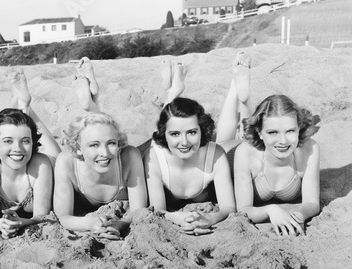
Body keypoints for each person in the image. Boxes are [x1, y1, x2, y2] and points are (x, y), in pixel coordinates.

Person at [216, 52, 320, 236]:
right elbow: (244, 209)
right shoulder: (244, 153)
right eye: (273, 132)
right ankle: (235, 87)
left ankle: (243, 94)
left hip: (257, 144)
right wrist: (271, 210)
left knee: (249, 133)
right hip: (230, 154)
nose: (283, 141)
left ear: (299, 128)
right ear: (261, 133)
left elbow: (312, 203)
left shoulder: (309, 149)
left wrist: (299, 214)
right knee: (221, 143)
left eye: (290, 131)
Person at [54, 58, 148, 240]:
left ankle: (92, 106)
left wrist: (119, 224)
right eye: (94, 145)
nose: (105, 153)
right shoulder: (66, 161)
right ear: (78, 149)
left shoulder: (129, 155)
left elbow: (138, 211)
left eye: (111, 143)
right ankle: (91, 106)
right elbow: (62, 216)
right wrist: (89, 223)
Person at [142, 59, 237, 235]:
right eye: (175, 135)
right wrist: (176, 217)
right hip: (159, 150)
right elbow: (158, 210)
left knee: (226, 142)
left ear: (202, 130)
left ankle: (175, 90)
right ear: (166, 135)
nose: (184, 142)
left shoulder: (215, 154)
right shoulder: (153, 158)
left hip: (198, 150)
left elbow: (228, 207)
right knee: (161, 131)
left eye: (192, 132)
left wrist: (210, 218)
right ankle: (172, 92)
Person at [0, 68, 61, 238]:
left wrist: (21, 222)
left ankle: (26, 107)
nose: (18, 148)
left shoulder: (41, 164)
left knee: (59, 159)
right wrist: (1, 224)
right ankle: (24, 106)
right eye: (7, 141)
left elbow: (42, 216)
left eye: (26, 141)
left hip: (45, 163)